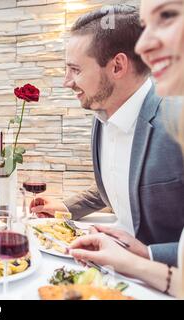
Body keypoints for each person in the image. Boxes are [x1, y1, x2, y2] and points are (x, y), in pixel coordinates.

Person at [31, 4, 184, 266]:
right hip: (109, 263)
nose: (66, 81)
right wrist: (67, 207)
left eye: (75, 70)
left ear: (117, 67)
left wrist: (147, 256)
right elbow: (122, 181)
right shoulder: (103, 110)